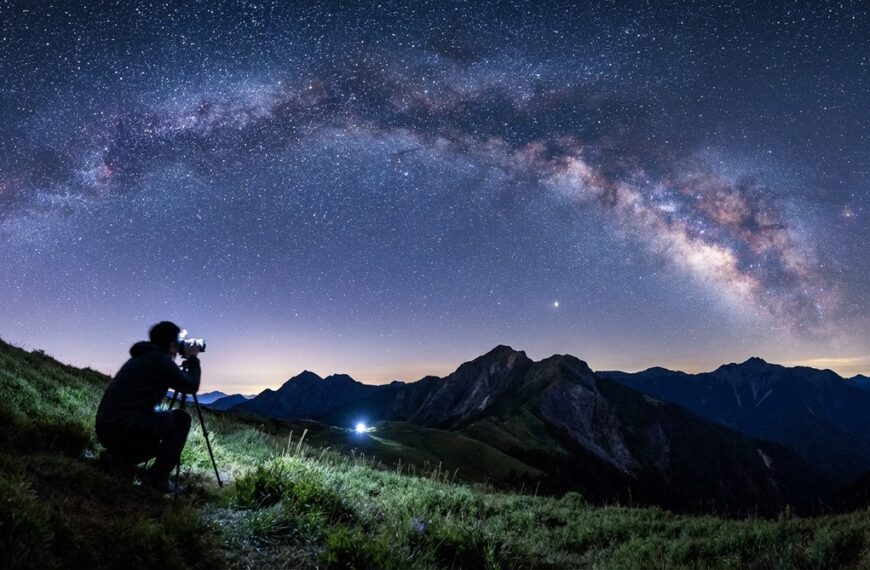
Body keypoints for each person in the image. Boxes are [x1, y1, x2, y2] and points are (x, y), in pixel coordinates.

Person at [95, 321, 202, 492]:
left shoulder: (142, 356)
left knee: (153, 442)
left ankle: (117, 460)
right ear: (171, 343)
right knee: (181, 420)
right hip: (125, 427)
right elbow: (190, 386)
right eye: (178, 342)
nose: (180, 346)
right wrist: (193, 358)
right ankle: (156, 479)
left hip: (106, 428)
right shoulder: (159, 360)